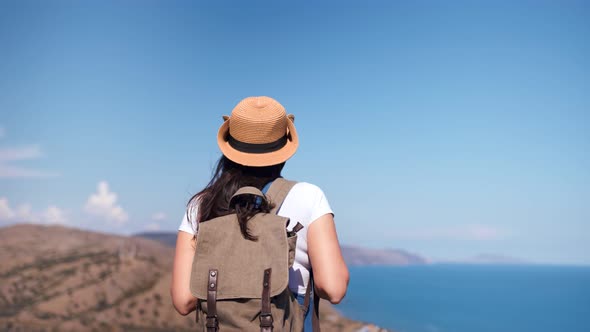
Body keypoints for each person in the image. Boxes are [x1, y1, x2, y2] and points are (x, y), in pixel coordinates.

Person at [171, 96, 349, 330]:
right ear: (284, 150)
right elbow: (333, 289)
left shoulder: (202, 205)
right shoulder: (309, 197)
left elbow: (184, 301)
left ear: (229, 148)